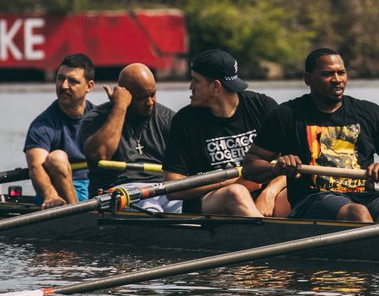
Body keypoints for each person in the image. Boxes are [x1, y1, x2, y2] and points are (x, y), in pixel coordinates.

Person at [244, 49, 379, 223]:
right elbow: (250, 166)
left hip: (365, 195)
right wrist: (276, 168)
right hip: (313, 200)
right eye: (327, 74)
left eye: (341, 73)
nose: (337, 80)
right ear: (308, 79)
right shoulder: (286, 115)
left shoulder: (370, 112)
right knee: (356, 213)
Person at [162, 49, 285, 217]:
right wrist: (233, 182)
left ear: (216, 86)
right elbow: (171, 187)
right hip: (212, 200)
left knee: (296, 195)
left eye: (196, 81)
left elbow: (294, 162)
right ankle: (266, 235)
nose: (191, 87)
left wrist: (269, 193)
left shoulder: (263, 106)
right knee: (236, 193)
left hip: (264, 193)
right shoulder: (184, 121)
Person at [80, 62, 176, 212]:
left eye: (153, 94)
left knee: (185, 208)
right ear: (126, 94)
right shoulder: (96, 117)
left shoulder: (167, 118)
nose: (150, 102)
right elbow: (101, 154)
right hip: (118, 191)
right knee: (149, 209)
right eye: (142, 97)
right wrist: (120, 106)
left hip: (162, 188)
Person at [25, 53, 96, 209]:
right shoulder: (42, 125)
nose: (63, 85)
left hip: (98, 187)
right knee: (57, 158)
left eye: (72, 81)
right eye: (60, 78)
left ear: (89, 86)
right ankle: (77, 216)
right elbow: (36, 166)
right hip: (61, 190)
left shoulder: (100, 118)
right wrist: (51, 195)